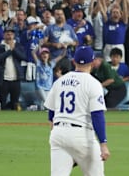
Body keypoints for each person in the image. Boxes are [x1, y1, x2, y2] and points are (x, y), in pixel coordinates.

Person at [45, 45, 110, 175]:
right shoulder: (93, 83)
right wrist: (103, 143)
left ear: (73, 61)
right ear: (92, 62)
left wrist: (60, 132)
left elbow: (51, 113)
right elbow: (97, 115)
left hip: (58, 134)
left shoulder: (59, 81)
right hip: (82, 136)